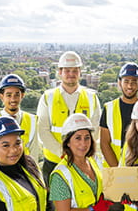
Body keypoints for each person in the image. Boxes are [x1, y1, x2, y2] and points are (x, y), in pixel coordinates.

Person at [49, 113, 112, 211]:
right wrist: (94, 210)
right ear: (68, 142)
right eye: (77, 138)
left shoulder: (94, 163)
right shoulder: (61, 175)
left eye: (87, 137)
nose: (83, 143)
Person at [37, 51, 101, 184]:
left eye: (74, 70)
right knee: (54, 203)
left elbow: (95, 130)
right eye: (67, 70)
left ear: (80, 72)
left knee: (83, 201)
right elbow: (42, 130)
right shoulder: (48, 97)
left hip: (82, 162)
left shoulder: (91, 97)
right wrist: (64, 153)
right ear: (59, 72)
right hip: (54, 161)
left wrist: (79, 154)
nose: (71, 74)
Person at [99, 62, 138, 211]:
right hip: (116, 171)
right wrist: (118, 172)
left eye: (134, 81)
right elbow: (105, 142)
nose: (130, 85)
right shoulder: (109, 108)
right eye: (126, 81)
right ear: (119, 83)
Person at [0, 73, 40, 162]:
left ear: (22, 95)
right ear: (1, 96)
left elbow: (34, 154)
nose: (13, 99)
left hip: (24, 172)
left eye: (17, 95)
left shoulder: (32, 120)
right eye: (9, 95)